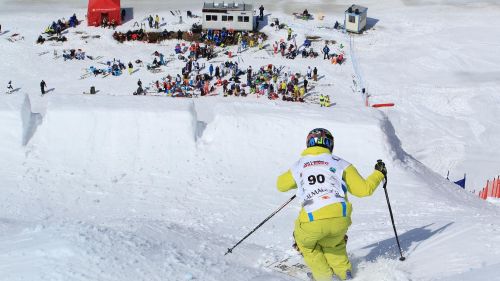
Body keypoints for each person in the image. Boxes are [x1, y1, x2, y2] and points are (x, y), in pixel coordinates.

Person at [276, 128, 386, 281]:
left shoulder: (299, 165)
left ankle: (324, 277)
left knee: (306, 244)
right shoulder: (341, 163)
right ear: (330, 145)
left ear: (309, 143)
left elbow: (280, 185)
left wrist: (300, 182)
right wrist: (378, 173)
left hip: (312, 218)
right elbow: (364, 190)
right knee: (333, 246)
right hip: (340, 217)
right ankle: (345, 275)